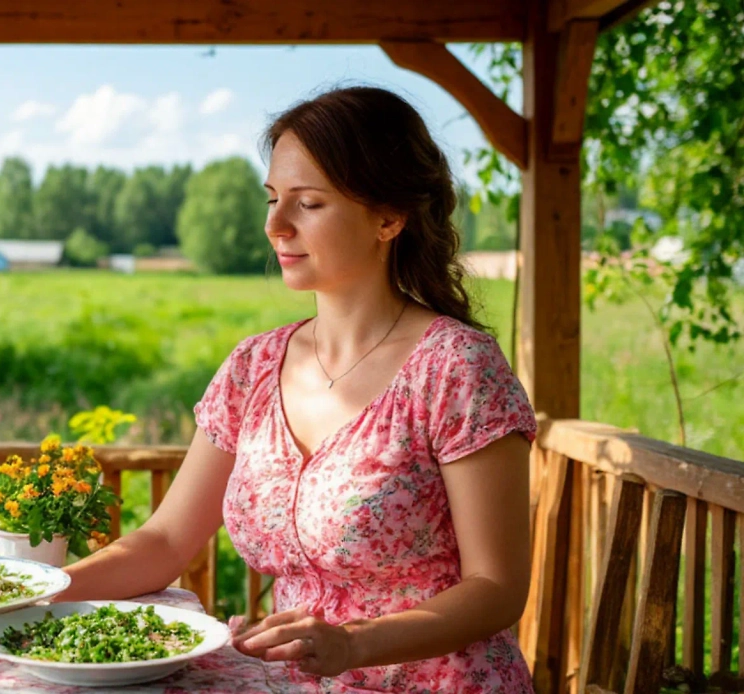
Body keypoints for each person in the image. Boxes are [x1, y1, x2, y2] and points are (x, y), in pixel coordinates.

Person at [57, 86, 537, 692]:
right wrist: (29, 595)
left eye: (308, 203)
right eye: (273, 199)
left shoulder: (456, 368)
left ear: (388, 218)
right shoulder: (252, 367)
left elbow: (497, 590)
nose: (275, 225)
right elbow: (165, 540)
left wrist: (352, 642)